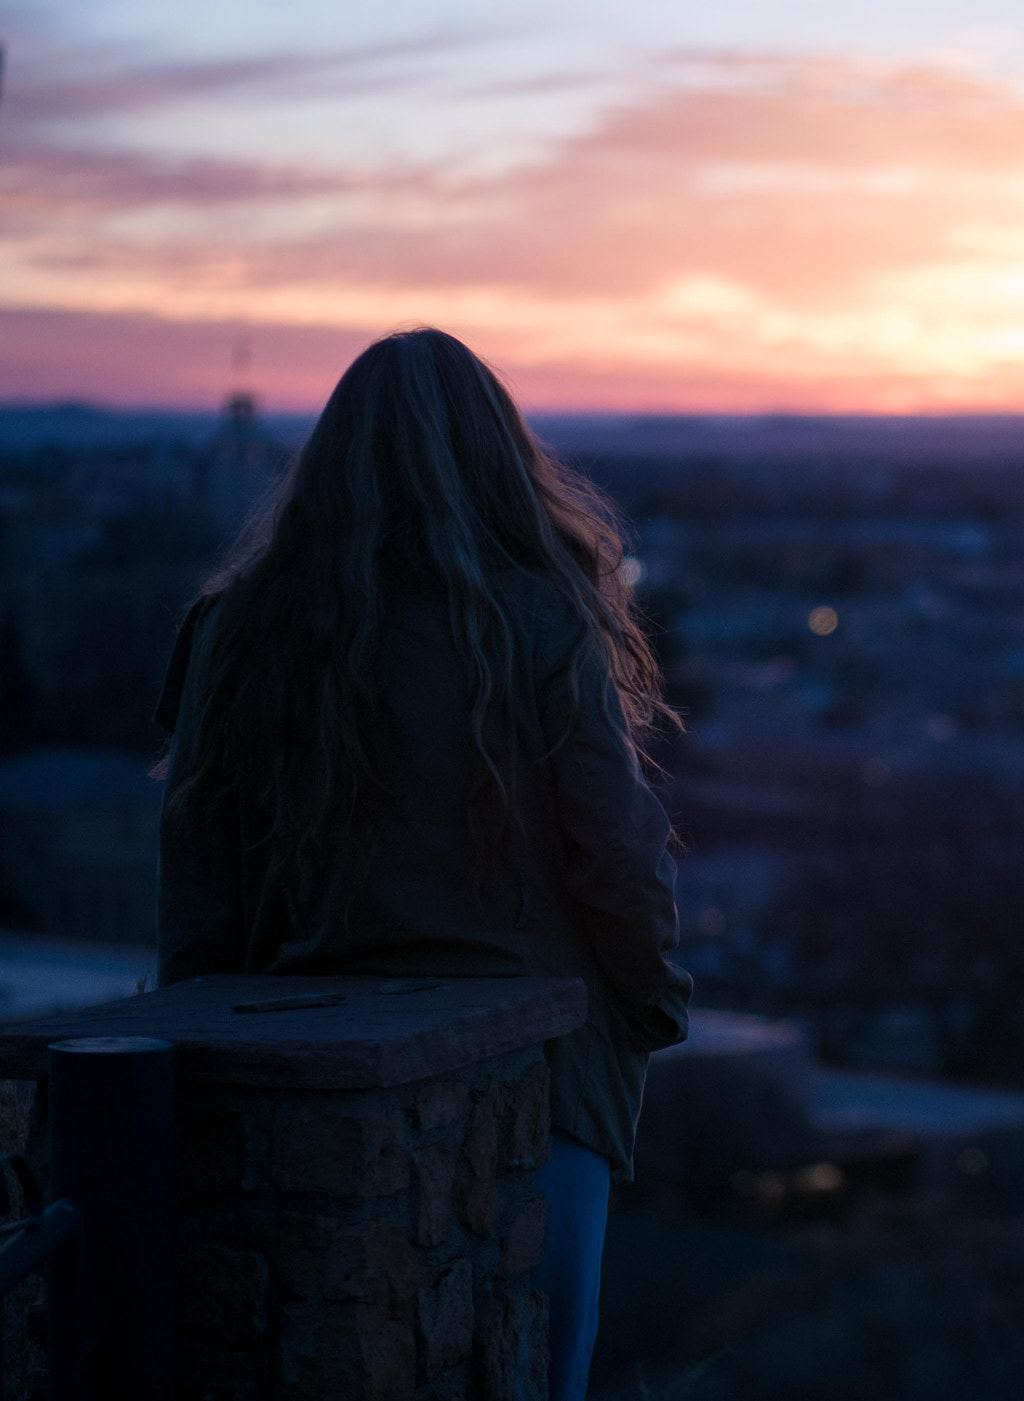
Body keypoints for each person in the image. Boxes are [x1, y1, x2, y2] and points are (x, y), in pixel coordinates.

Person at [154, 327, 691, 1401]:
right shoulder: (536, 613)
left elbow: (198, 862)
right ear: (501, 455)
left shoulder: (236, 629)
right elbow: (612, 845)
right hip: (539, 1055)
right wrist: (650, 999)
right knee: (534, 1362)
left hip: (289, 1039)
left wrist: (192, 1032)